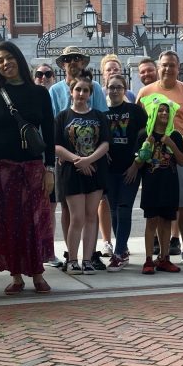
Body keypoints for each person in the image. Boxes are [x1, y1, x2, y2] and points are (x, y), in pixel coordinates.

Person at [0, 41, 55, 295]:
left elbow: (50, 133)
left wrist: (50, 168)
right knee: (9, 223)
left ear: (19, 60)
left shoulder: (39, 93)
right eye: (0, 61)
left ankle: (38, 274)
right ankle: (16, 276)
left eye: (9, 58)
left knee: (35, 223)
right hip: (2, 171)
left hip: (33, 169)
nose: (5, 64)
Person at [137, 50, 183, 265]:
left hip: (180, 155)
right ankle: (160, 250)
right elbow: (139, 124)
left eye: (172, 65)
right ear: (159, 67)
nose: (168, 69)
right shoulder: (146, 92)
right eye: (164, 65)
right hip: (153, 160)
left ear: (179, 68)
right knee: (156, 206)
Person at [50, 46, 109, 271]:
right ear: (71, 92)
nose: (82, 94)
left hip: (95, 168)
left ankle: (88, 258)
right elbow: (54, 142)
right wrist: (78, 160)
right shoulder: (58, 101)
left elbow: (105, 141)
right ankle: (71, 258)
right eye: (68, 59)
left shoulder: (97, 113)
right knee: (73, 215)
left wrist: (90, 160)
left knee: (91, 215)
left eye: (86, 91)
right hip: (69, 167)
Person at [127, 94, 183, 274]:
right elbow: (137, 164)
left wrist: (171, 144)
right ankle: (148, 260)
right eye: (159, 110)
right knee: (151, 221)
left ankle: (164, 257)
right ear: (153, 112)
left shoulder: (175, 135)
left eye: (166, 111)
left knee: (166, 221)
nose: (163, 114)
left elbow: (182, 161)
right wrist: (146, 148)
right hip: (151, 184)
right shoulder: (144, 134)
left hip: (169, 184)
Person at [102, 72, 146, 270]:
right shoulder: (101, 113)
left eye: (118, 87)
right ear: (106, 89)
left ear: (125, 89)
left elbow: (147, 138)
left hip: (130, 168)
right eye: (111, 87)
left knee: (124, 207)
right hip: (109, 169)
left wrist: (137, 164)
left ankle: (119, 253)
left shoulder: (135, 111)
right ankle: (123, 248)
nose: (114, 91)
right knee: (113, 209)